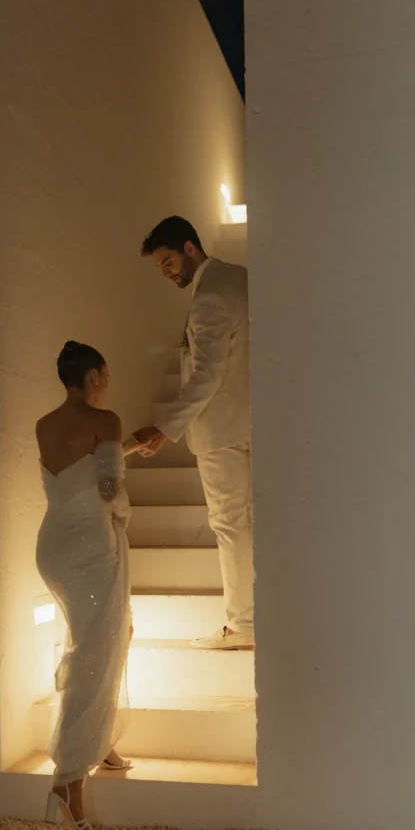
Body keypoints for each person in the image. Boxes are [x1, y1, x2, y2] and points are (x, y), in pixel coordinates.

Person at [134, 216, 254, 651]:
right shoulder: (241, 277)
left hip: (222, 428)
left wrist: (164, 428)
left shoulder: (207, 297)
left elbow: (206, 374)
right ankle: (257, 616)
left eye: (167, 261)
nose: (166, 273)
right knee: (251, 522)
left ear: (190, 248)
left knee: (230, 523)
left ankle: (243, 623)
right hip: (256, 419)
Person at [36, 341, 140, 830]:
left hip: (52, 546)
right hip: (91, 549)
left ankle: (99, 744)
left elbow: (76, 476)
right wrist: (124, 518)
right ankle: (68, 780)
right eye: (106, 374)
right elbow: (107, 490)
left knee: (96, 642)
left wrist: (121, 450)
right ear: (95, 375)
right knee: (98, 650)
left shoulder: (44, 425)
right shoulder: (108, 419)